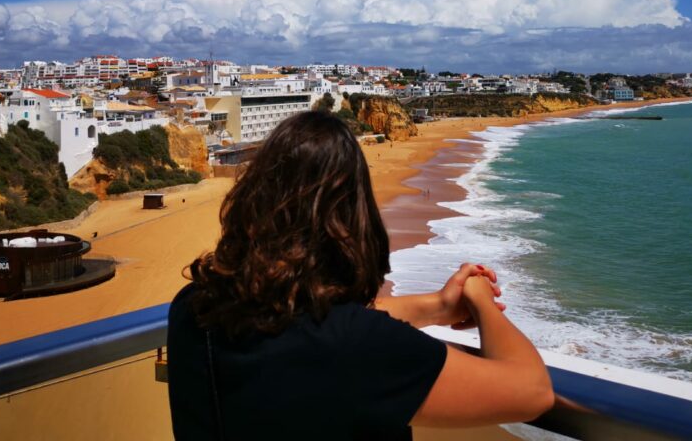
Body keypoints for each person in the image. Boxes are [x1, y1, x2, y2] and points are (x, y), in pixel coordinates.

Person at [167, 111, 553, 440]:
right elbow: (532, 392)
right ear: (352, 217)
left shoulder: (194, 308)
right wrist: (481, 298)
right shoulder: (360, 347)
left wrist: (436, 307)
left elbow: (308, 319)